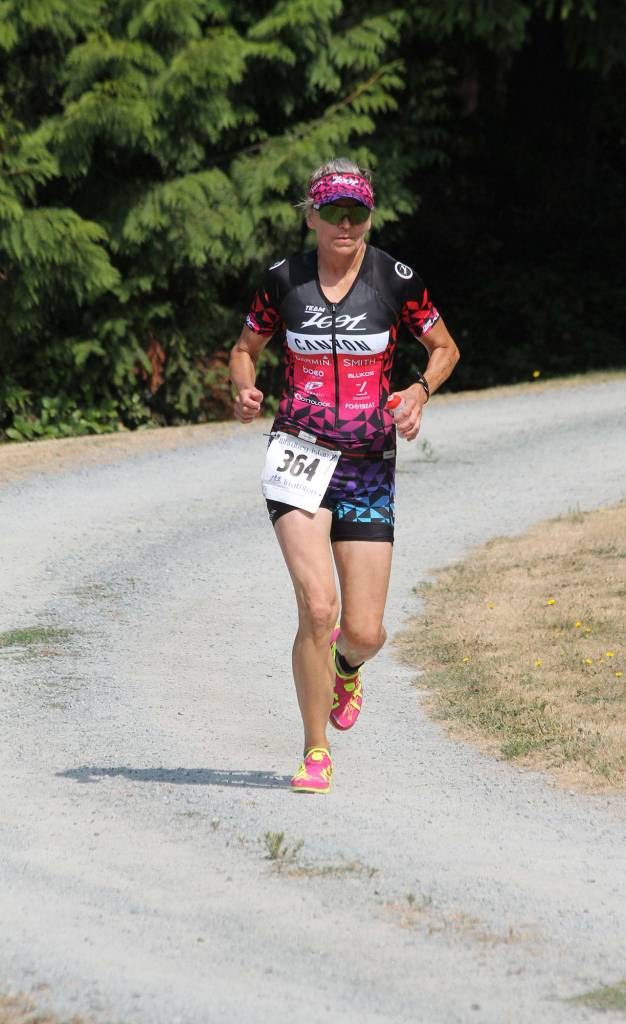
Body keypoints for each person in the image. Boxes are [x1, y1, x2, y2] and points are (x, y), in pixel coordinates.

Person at [229, 158, 460, 793]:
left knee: (362, 630)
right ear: (310, 216)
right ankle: (314, 750)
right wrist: (246, 390)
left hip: (366, 467)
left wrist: (417, 392)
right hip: (298, 456)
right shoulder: (283, 282)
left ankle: (346, 666)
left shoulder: (394, 279)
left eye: (357, 212)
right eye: (332, 211)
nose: (345, 223)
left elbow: (446, 348)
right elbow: (244, 351)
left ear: (369, 217)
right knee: (317, 604)